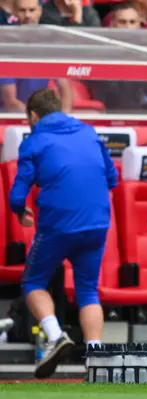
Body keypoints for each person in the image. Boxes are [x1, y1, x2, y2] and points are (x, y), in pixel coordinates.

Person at [10, 89, 117, 379]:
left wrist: (21, 211)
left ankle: (56, 335)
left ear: (33, 116)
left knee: (33, 282)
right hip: (96, 223)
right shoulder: (89, 132)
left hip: (58, 224)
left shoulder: (33, 142)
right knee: (88, 290)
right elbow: (112, 178)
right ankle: (95, 359)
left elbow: (18, 194)